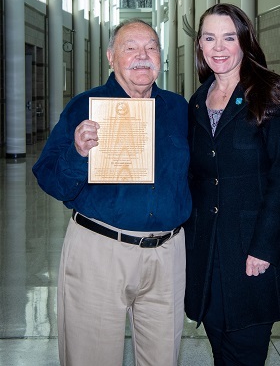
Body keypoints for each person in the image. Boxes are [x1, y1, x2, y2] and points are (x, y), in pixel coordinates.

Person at [32, 19, 191, 366]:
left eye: (151, 47)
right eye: (130, 47)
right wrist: (77, 152)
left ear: (161, 57)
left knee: (163, 358)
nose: (142, 55)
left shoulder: (178, 109)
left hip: (167, 255)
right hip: (101, 250)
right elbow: (48, 177)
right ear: (111, 57)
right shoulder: (86, 106)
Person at [184, 3, 280, 366]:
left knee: (245, 349)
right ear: (200, 46)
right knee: (220, 342)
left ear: (244, 42)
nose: (218, 47)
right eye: (209, 38)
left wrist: (264, 248)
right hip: (208, 250)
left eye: (228, 37)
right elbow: (194, 174)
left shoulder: (269, 92)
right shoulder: (197, 101)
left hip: (253, 249)